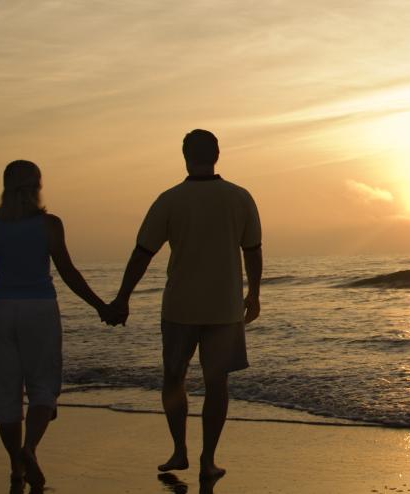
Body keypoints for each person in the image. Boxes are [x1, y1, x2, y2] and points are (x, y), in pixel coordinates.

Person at [109, 129, 263, 481]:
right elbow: (253, 252)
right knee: (216, 384)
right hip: (224, 308)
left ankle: (180, 449)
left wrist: (122, 297)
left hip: (180, 306)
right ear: (217, 154)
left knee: (174, 378)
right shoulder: (240, 197)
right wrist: (254, 294)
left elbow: (142, 253)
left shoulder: (169, 200)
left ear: (184, 155)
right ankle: (208, 459)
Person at [0, 160, 111, 489]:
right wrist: (100, 306)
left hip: (2, 309)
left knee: (6, 394)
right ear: (37, 186)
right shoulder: (49, 224)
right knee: (43, 387)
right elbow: (68, 272)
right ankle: (30, 448)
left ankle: (16, 468)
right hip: (39, 310)